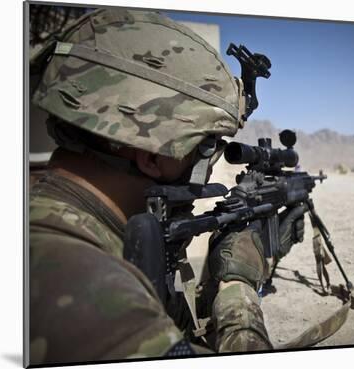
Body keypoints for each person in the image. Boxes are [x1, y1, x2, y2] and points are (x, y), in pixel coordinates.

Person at [29, 8, 304, 365]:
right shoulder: (98, 305)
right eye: (209, 146)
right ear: (154, 157)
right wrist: (238, 288)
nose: (212, 161)